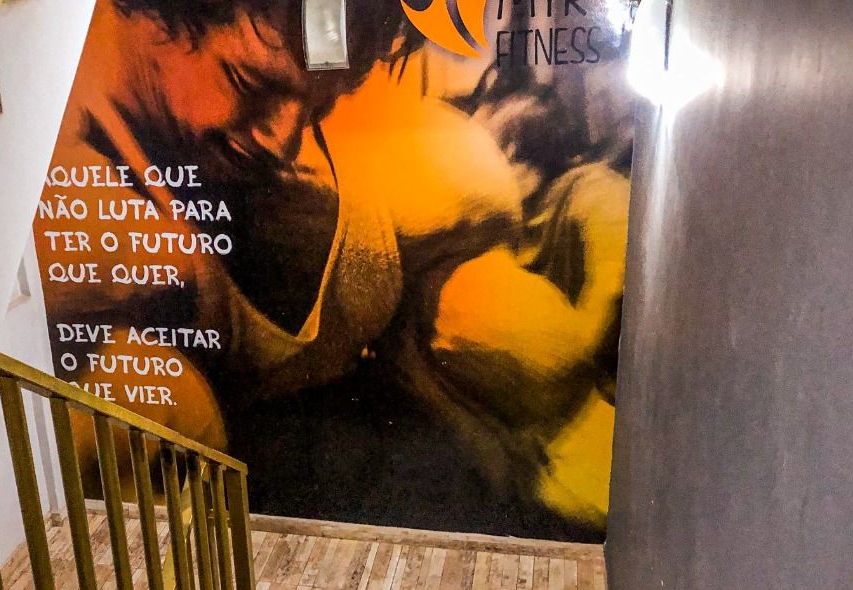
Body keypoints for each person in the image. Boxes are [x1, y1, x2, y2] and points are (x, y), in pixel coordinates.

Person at [36, 0, 627, 538]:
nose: (283, 141)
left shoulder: (444, 195)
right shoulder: (83, 203)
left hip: (449, 233)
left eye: (320, 105)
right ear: (145, 14)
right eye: (249, 83)